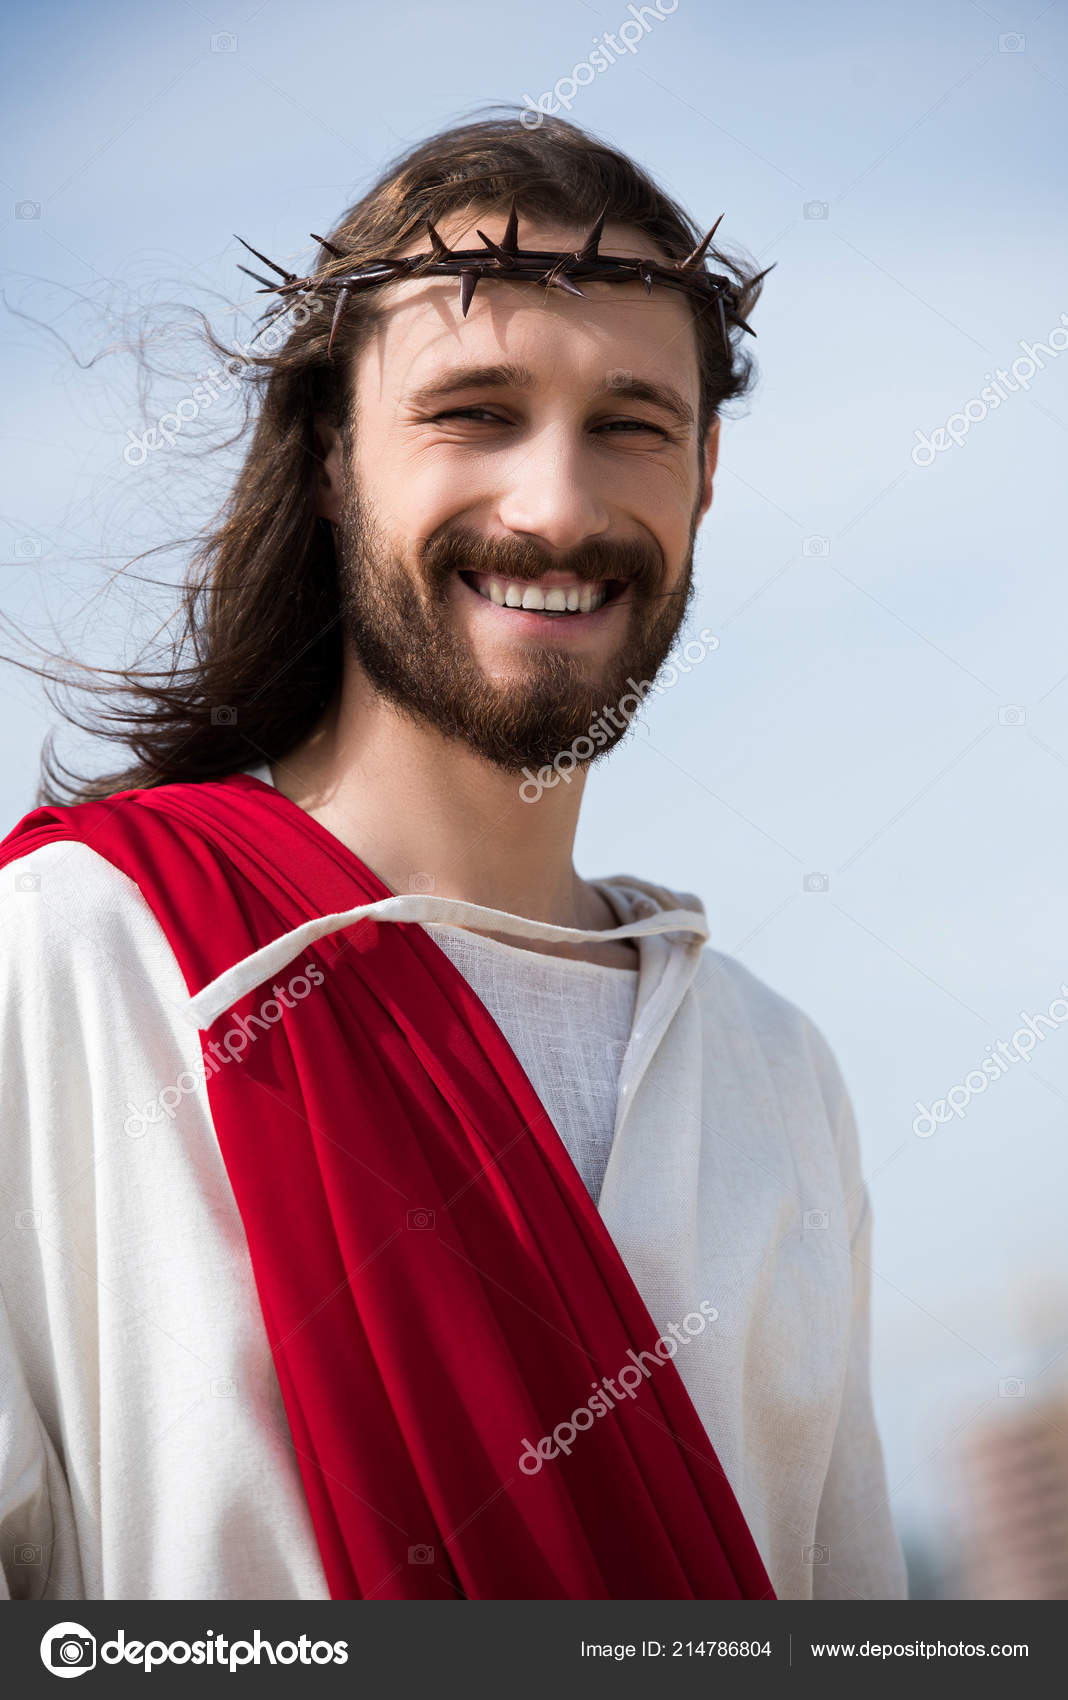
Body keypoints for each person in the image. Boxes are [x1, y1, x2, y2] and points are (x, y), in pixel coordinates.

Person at [0, 112, 907, 1602]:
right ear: (335, 459)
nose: (556, 506)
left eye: (631, 423)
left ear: (707, 472)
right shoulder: (76, 954)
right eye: (473, 411)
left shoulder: (774, 1068)